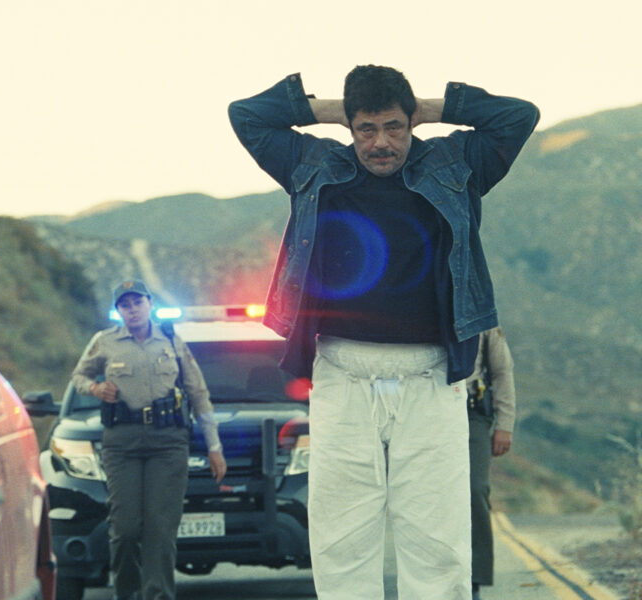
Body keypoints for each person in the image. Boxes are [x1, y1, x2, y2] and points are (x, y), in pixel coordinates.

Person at [228, 66, 538, 600]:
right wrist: (329, 109)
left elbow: (518, 116)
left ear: (411, 123)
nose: (380, 143)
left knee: (437, 537)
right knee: (342, 536)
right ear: (349, 129)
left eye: (394, 127)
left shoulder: (456, 163)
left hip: (431, 377)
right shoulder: (312, 163)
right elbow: (247, 115)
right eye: (365, 129)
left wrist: (429, 107)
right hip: (342, 373)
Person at [72, 279, 227, 600]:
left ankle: (158, 596)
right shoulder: (104, 341)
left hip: (168, 441)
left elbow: (198, 393)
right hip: (121, 442)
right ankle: (127, 594)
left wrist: (214, 446)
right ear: (118, 311)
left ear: (149, 304)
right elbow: (79, 377)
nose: (133, 310)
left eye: (138, 303)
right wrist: (96, 389)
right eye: (125, 305)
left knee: (160, 529)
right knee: (126, 529)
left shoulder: (171, 340)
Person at [467, 327, 516, 600]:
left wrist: (504, 425)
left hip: (471, 412)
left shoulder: (480, 308)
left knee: (475, 490)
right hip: (427, 410)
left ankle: (473, 580)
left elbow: (502, 370)